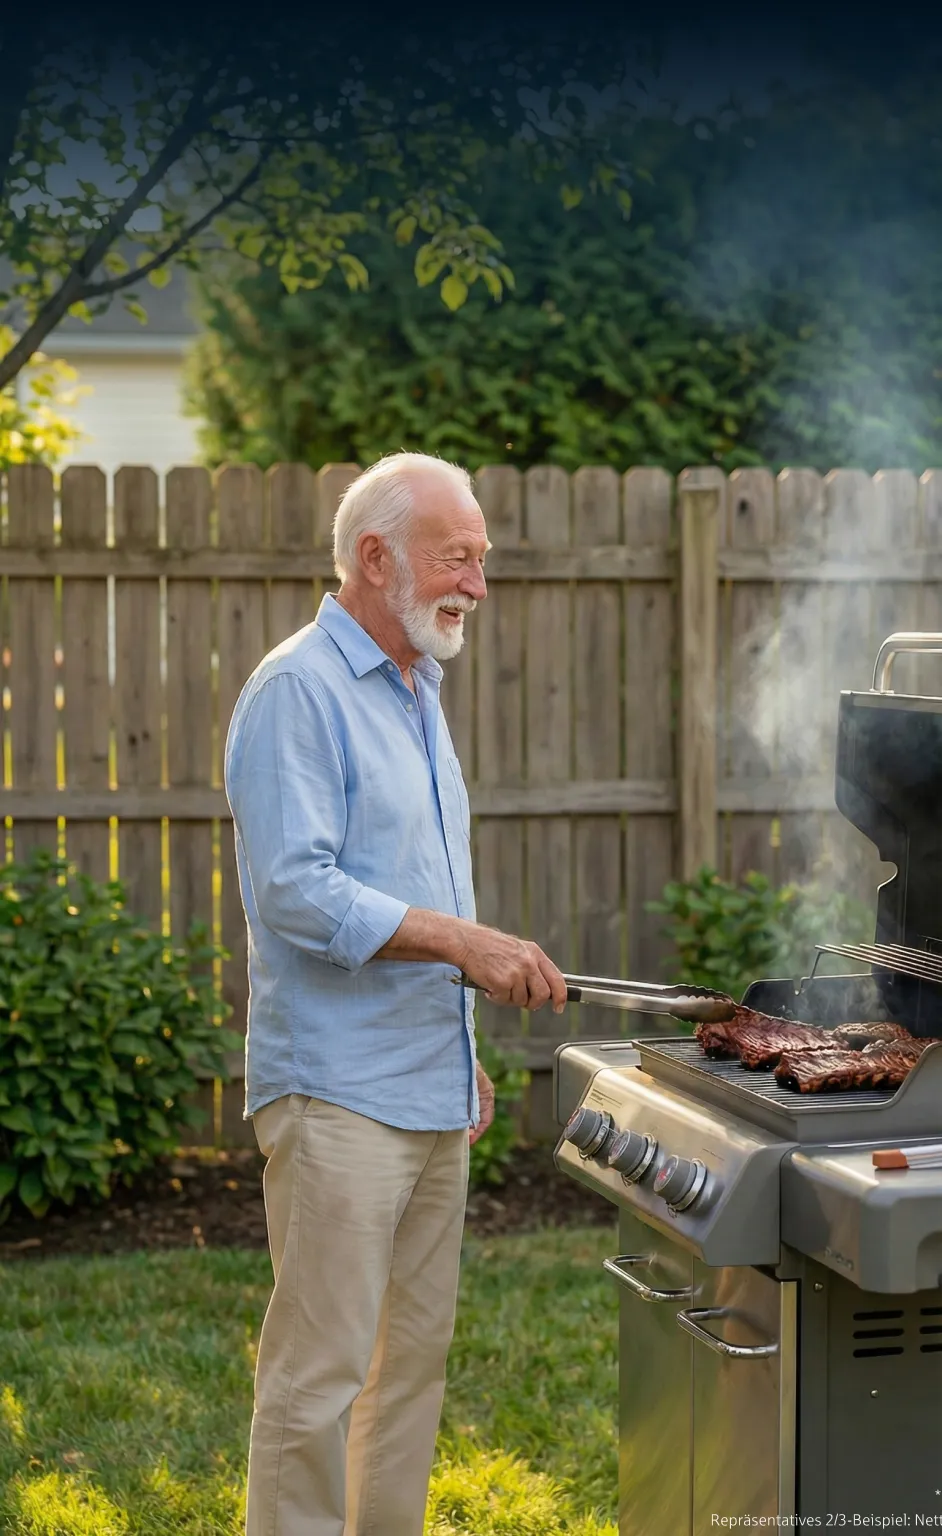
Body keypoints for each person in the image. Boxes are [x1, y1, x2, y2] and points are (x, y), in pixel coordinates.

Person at [224, 451, 568, 1536]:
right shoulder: (297, 689)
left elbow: (416, 881)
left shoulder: (418, 687)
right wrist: (468, 946)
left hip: (425, 1088)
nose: (477, 583)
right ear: (377, 558)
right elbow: (297, 891)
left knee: (410, 1369)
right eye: (458, 557)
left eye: (483, 559)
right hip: (334, 1095)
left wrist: (455, 1039)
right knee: (318, 1378)